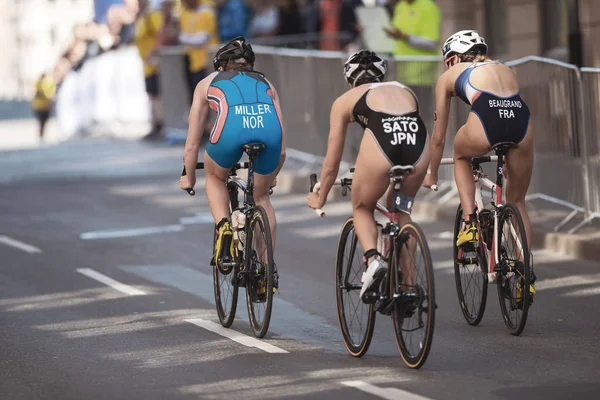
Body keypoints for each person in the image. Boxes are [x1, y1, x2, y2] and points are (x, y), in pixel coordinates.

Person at [307, 50, 430, 302]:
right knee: (400, 210)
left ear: (349, 79)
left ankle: (374, 260)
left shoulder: (345, 99)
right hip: (415, 142)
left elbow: (332, 162)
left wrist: (321, 197)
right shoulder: (405, 90)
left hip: (383, 141)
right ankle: (407, 287)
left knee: (362, 206)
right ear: (382, 75)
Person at [422, 30, 536, 299]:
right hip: (521, 121)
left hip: (486, 119)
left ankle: (470, 222)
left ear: (452, 58)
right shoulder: (503, 67)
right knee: (518, 201)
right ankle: (525, 275)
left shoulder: (450, 74)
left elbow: (438, 138)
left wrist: (432, 173)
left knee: (461, 154)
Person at [179, 37, 286, 284]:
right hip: (269, 134)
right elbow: (282, 152)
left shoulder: (207, 83)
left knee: (215, 176)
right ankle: (266, 271)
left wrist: (189, 176)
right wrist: (271, 176)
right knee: (262, 198)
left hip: (230, 130)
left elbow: (193, 142)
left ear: (221, 66)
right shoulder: (266, 82)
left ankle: (224, 226)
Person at [31, 72, 56, 142]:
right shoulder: (39, 84)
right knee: (41, 122)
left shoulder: (45, 84)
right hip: (41, 106)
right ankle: (41, 135)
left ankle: (41, 135)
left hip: (42, 106)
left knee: (42, 122)